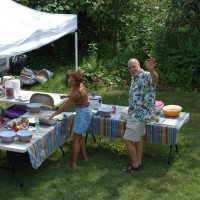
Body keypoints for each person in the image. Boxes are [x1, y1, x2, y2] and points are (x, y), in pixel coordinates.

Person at [48, 70, 92, 168]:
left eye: (72, 80)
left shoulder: (76, 92)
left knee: (76, 139)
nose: (69, 81)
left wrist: (52, 115)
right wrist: (67, 95)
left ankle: (73, 164)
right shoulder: (80, 85)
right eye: (69, 78)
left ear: (77, 82)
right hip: (85, 111)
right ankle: (84, 157)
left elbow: (64, 108)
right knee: (80, 137)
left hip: (83, 114)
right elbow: (76, 95)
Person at [123, 57, 159, 173]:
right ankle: (139, 162)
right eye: (129, 68)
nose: (132, 69)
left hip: (139, 115)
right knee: (137, 139)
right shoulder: (134, 78)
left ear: (139, 65)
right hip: (135, 113)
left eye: (134, 66)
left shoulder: (146, 75)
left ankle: (135, 165)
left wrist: (152, 70)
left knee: (127, 139)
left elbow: (155, 80)